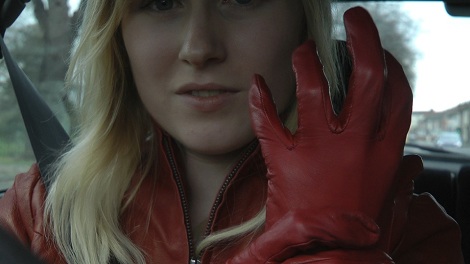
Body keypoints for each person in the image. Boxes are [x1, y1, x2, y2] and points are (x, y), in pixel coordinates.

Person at [0, 0, 464, 263]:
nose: (199, 48)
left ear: (303, 23)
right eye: (160, 2)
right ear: (118, 36)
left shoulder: (407, 230)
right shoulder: (40, 212)